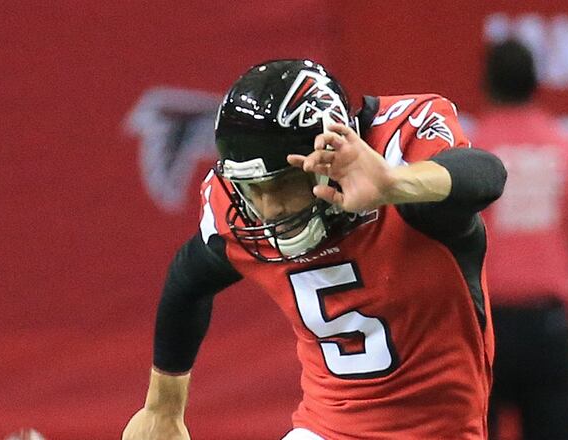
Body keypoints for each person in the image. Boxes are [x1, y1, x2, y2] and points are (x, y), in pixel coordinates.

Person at [122, 59, 507, 439]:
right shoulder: (241, 215)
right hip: (325, 429)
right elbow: (187, 280)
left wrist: (394, 183)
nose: (269, 208)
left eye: (283, 184)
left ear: (326, 161)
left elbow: (487, 175)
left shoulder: (395, 156)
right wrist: (162, 407)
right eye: (255, 190)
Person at [473, 40, 568, 440]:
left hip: (483, 326)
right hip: (546, 326)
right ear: (536, 82)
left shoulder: (469, 152)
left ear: (487, 83)